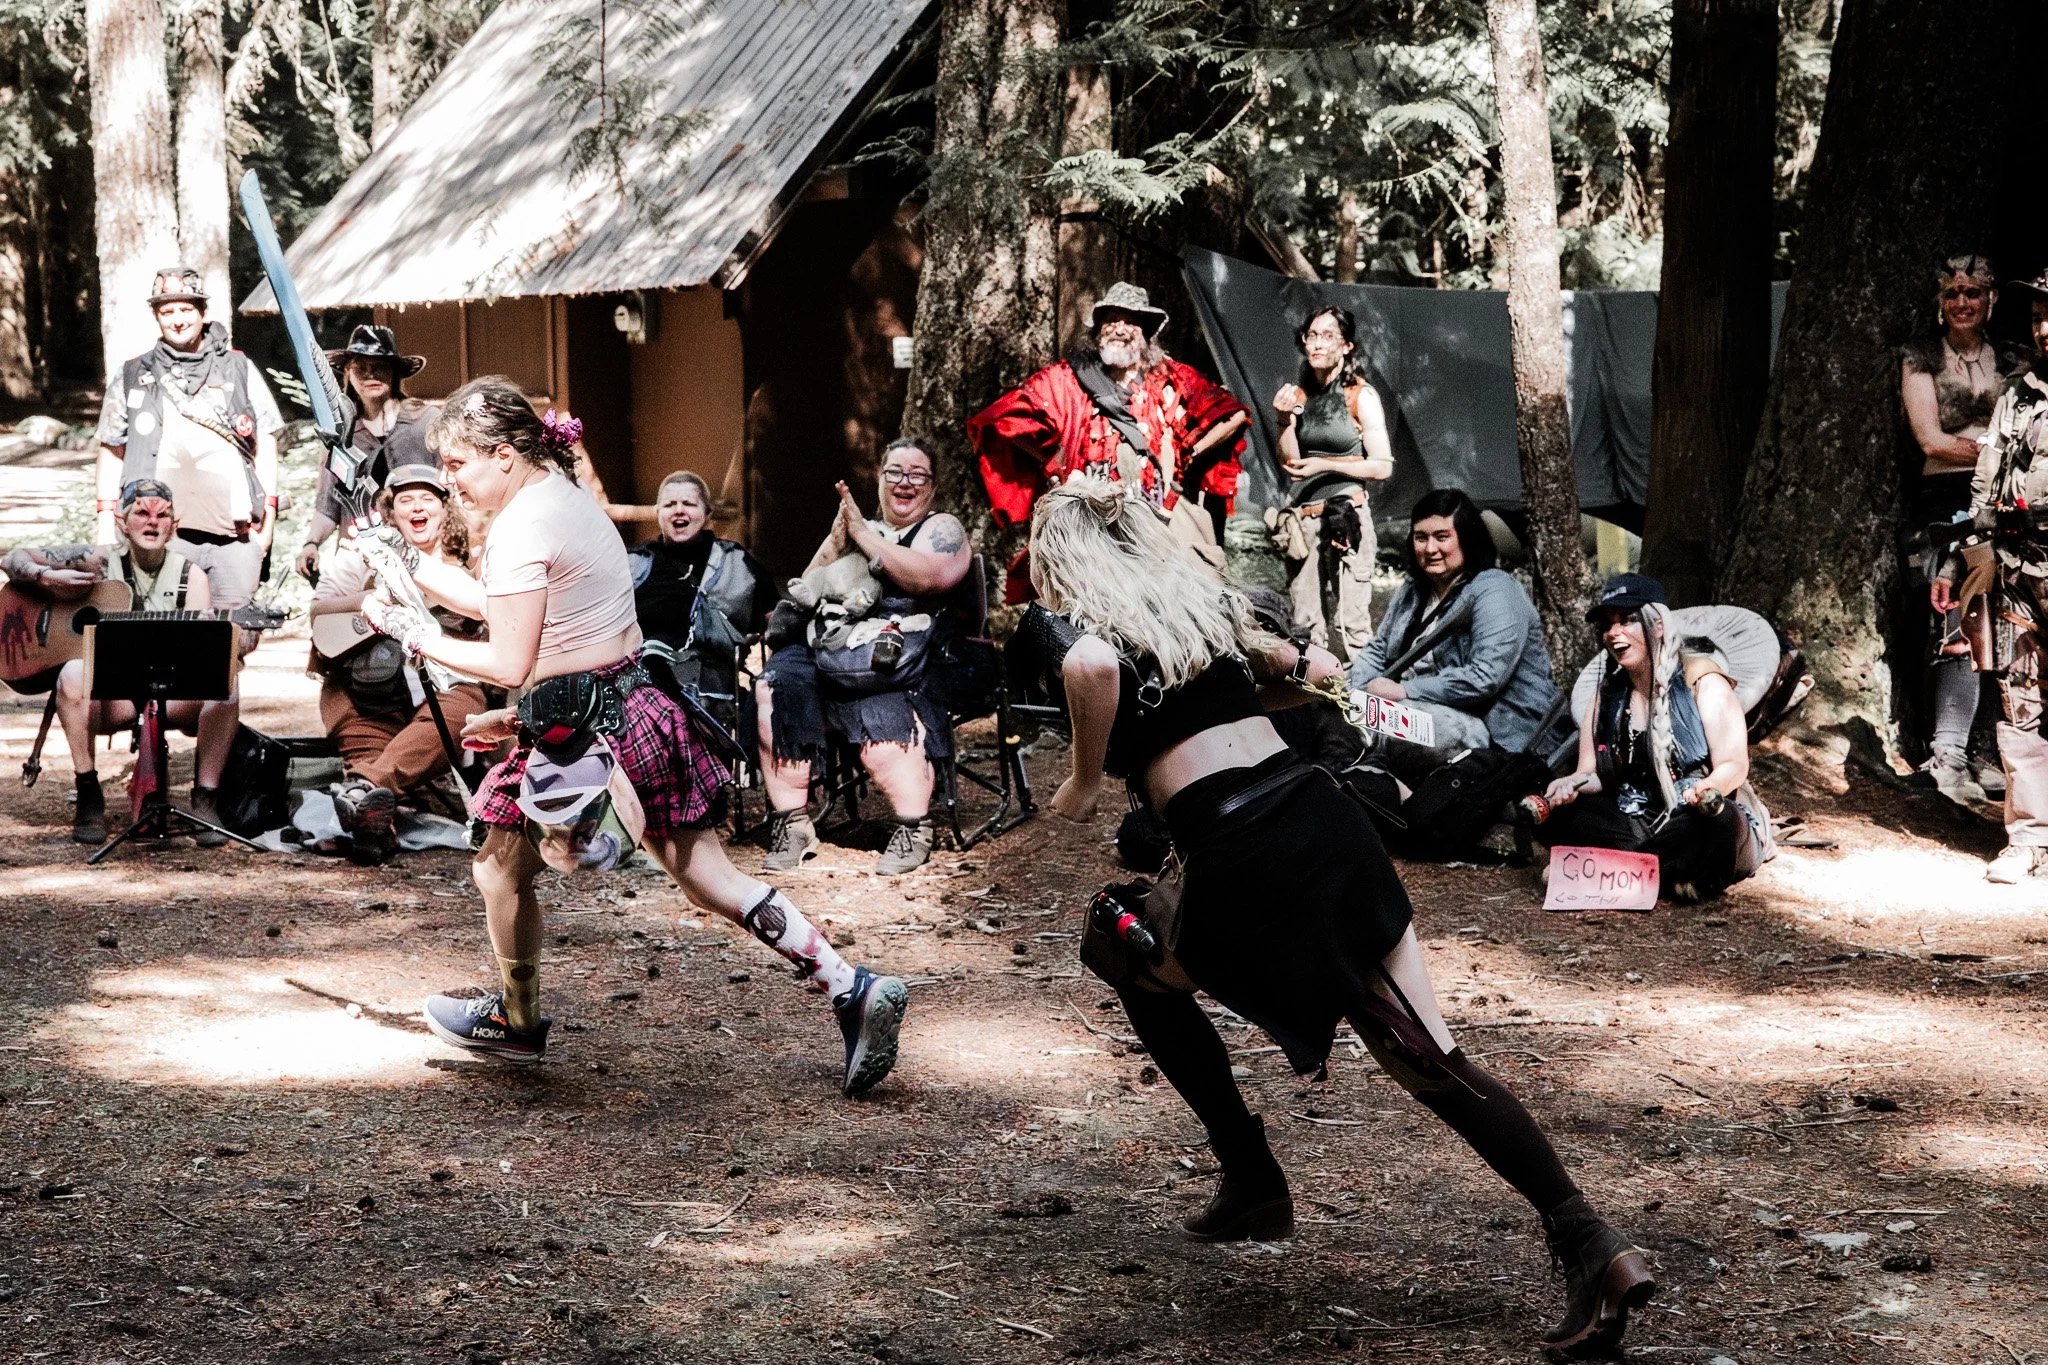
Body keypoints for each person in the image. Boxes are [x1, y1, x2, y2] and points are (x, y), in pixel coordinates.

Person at [1028, 476, 1653, 1360]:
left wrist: (1083, 783)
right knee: (1433, 1059)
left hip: (1244, 858)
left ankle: (1250, 1172)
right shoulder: (1209, 614)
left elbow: (1090, 677)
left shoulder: (1090, 640)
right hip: (1325, 823)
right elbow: (1314, 680)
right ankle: (1592, 1240)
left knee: (1118, 936)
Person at [368, 378, 908, 1092]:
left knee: (497, 868)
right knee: (708, 877)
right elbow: (520, 607)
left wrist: (413, 629)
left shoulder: (526, 524)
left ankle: (519, 1019)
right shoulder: (557, 497)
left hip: (588, 733)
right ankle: (851, 984)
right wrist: (413, 570)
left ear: (502, 454)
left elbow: (508, 657)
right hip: (637, 705)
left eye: (458, 464)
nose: (450, 481)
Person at [752, 438, 973, 876]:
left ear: (932, 486)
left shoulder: (940, 529)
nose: (904, 483)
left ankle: (913, 826)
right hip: (831, 639)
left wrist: (865, 537)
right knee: (775, 686)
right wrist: (838, 540)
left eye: (917, 475)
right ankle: (792, 823)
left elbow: (930, 577)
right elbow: (806, 591)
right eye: (894, 472)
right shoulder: (859, 526)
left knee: (881, 710)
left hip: (901, 650)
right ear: (879, 478)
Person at [969, 281, 1249, 598]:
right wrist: (1058, 463)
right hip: (1093, 514)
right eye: (1110, 320)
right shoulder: (1068, 378)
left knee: (1185, 595)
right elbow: (1002, 420)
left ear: (1146, 332)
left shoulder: (1172, 377)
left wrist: (1189, 451)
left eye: (1129, 320)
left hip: (1158, 514)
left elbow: (1233, 415)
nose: (1118, 328)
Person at [2, 479, 240, 844]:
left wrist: (221, 640)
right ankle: (88, 790)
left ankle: (205, 798)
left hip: (171, 691)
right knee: (71, 673)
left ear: (173, 525)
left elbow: (201, 656)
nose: (152, 522)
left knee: (227, 682)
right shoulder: (97, 562)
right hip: (113, 696)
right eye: (141, 513)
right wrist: (47, 577)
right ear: (122, 522)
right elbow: (12, 559)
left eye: (163, 515)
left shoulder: (189, 576)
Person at [1536, 575, 1773, 902]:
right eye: (1608, 625)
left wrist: (1708, 788)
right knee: (1557, 816)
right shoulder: (1604, 697)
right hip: (1634, 817)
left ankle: (1598, 873)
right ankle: (1664, 876)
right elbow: (1591, 773)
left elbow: (1734, 764)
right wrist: (1570, 785)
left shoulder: (1702, 681)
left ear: (1658, 625)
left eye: (1627, 621)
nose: (1614, 633)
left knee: (1720, 822)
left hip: (1692, 817)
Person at [309, 464, 490, 863]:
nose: (417, 507)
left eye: (427, 498)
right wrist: (370, 604)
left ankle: (361, 790)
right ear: (391, 513)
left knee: (464, 710)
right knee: (364, 743)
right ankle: (374, 828)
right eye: (406, 499)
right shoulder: (359, 557)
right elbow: (318, 612)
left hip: (444, 690)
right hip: (363, 689)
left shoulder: (468, 566)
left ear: (445, 510)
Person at [93, 266, 284, 619]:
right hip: (159, 540)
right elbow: (111, 447)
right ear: (156, 316)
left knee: (232, 643)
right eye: (167, 311)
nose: (177, 320)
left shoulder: (239, 368)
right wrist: (107, 520)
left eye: (186, 310)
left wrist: (267, 521)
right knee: (158, 639)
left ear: (202, 312)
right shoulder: (134, 373)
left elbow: (266, 443)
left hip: (235, 536)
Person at [1348, 489, 1562, 779]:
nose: (1430, 548)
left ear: (1467, 537)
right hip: (1417, 710)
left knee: (1389, 727)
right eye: (1421, 538)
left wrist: (1405, 691)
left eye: (1442, 536)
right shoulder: (1413, 591)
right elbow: (1378, 650)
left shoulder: (1495, 589)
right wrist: (1355, 695)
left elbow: (1484, 678)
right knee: (1338, 713)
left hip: (1493, 730)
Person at [1903, 255, 2014, 803]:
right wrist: (1993, 451)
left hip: (2005, 501)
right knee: (1953, 616)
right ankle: (1947, 749)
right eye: (1952, 293)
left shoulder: (2013, 359)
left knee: (2005, 618)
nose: (1962, 302)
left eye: (1973, 291)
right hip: (1945, 500)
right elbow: (1930, 439)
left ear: (1991, 298)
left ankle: (1988, 749)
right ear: (1939, 302)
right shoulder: (1920, 357)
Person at [1953, 271, 2048, 883]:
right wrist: (1974, 561)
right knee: (2020, 704)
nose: (2044, 327)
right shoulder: (2018, 394)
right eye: (2040, 313)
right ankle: (2029, 836)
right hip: (2021, 572)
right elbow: (1985, 486)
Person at [1267, 306, 1394, 657]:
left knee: (1352, 622)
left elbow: (1382, 466)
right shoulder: (1300, 396)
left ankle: (1365, 704)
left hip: (1345, 518)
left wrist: (1323, 464)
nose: (1317, 344)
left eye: (1328, 336)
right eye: (1311, 335)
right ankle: (1314, 706)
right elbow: (1290, 460)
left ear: (1347, 345)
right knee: (1305, 625)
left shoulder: (1360, 396)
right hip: (1303, 522)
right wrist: (1281, 419)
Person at [296, 325, 443, 580]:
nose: (370, 374)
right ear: (347, 373)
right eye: (360, 366)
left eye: (380, 366)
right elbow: (329, 505)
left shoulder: (426, 422)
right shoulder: (342, 434)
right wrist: (311, 543)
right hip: (359, 555)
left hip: (422, 554)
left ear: (396, 372)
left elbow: (451, 488)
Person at [629, 470, 776, 722]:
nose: (678, 511)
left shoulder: (735, 562)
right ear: (658, 514)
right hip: (637, 672)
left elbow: (776, 621)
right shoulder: (634, 562)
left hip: (705, 678)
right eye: (669, 505)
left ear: (707, 514)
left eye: (688, 504)